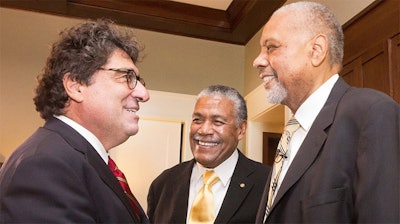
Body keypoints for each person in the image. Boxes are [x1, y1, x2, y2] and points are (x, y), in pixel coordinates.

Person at [252, 1, 400, 223]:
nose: (257, 61)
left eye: (271, 47)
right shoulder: (290, 135)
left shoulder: (371, 113)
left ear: (316, 50)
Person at [0, 19, 150, 223]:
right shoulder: (46, 165)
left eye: (139, 81)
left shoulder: (79, 159)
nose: (144, 93)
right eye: (127, 77)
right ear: (76, 85)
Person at [147, 85, 270, 223]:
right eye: (197, 120)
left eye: (218, 122)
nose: (204, 130)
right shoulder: (163, 184)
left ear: (241, 129)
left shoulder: (268, 184)